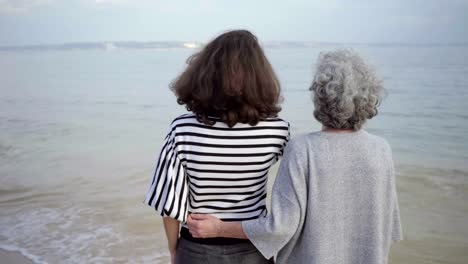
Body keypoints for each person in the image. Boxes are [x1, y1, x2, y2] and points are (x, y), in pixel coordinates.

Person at [187, 49, 403, 264]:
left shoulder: (302, 149)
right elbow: (389, 228)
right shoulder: (381, 150)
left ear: (319, 96)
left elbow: (279, 228)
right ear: (369, 97)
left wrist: (218, 228)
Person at [144, 30, 290, 264]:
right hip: (255, 248)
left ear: (206, 73)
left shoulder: (182, 128)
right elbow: (291, 199)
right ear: (259, 76)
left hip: (197, 249)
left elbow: (169, 206)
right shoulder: (278, 130)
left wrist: (174, 251)